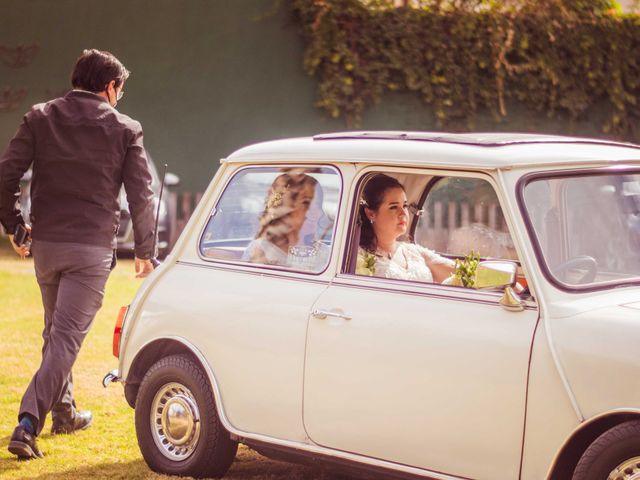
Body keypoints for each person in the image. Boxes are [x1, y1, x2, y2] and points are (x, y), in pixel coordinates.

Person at [0, 49, 156, 460]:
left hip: (46, 247)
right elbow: (142, 193)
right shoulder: (126, 128)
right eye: (119, 91)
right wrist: (145, 251)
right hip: (90, 251)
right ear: (110, 87)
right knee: (65, 339)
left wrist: (15, 225)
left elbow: (6, 174)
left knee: (56, 334)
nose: (119, 98)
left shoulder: (40, 116)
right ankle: (28, 422)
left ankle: (65, 413)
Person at [356, 174, 455, 282]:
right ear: (370, 213)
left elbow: (462, 274)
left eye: (405, 206)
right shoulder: (358, 258)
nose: (403, 213)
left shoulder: (413, 251)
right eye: (393, 207)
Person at [243, 171, 328, 268]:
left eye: (317, 204)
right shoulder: (260, 250)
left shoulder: (324, 253)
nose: (318, 213)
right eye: (306, 203)